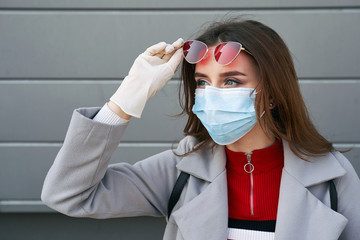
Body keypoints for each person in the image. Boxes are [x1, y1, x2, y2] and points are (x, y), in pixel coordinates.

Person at [41, 18, 360, 240]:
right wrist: (127, 97)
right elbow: (68, 195)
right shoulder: (179, 169)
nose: (212, 94)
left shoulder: (332, 176)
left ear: (274, 93)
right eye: (202, 83)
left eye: (231, 80)